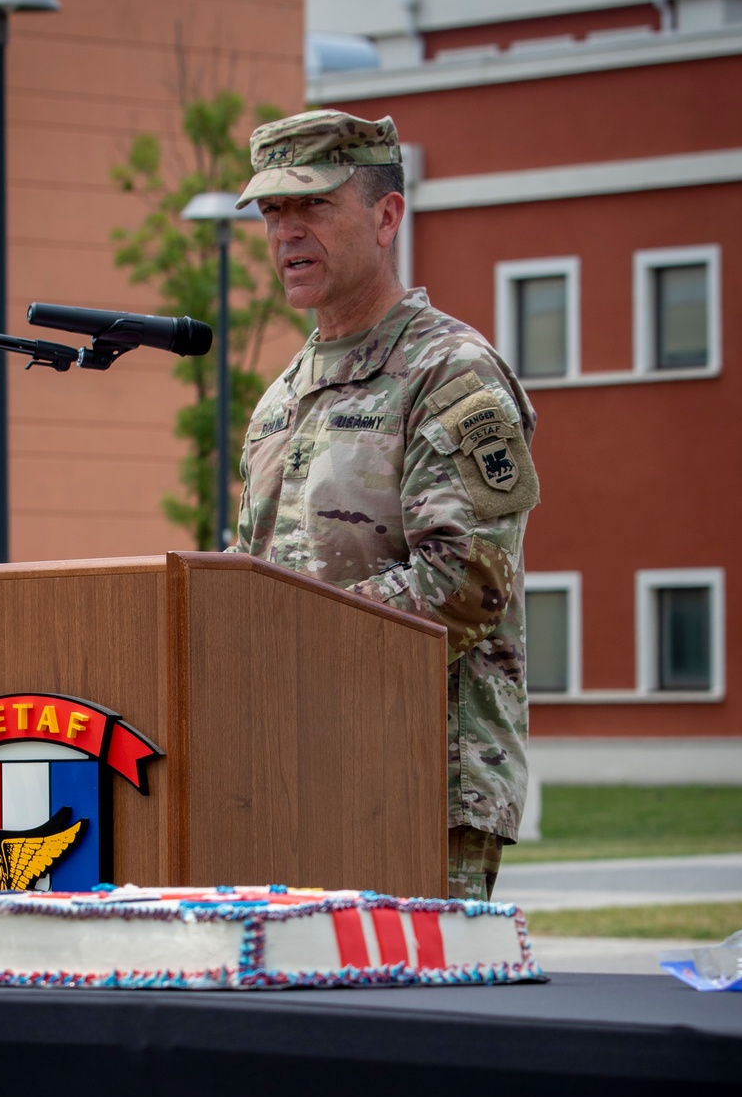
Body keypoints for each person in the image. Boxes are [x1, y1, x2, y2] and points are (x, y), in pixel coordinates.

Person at [229, 109, 539, 900]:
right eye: (272, 212)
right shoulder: (281, 398)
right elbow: (256, 572)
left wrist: (292, 641)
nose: (287, 234)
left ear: (386, 215)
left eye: (315, 206)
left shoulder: (448, 372)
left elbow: (470, 580)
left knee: (399, 1018)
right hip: (290, 771)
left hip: (417, 781)